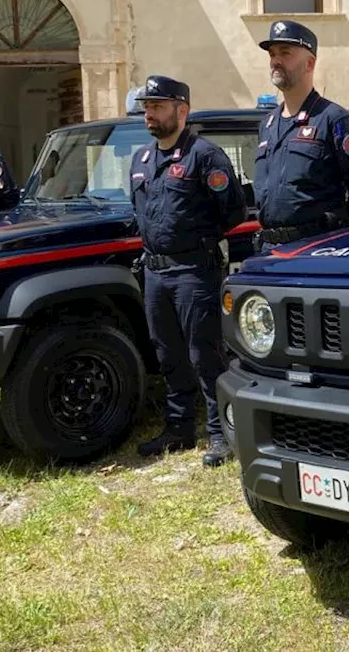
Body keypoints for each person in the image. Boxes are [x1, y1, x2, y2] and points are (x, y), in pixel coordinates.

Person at [128, 74, 247, 465]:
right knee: (168, 354)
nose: (150, 114)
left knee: (205, 354)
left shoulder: (204, 156)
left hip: (194, 271)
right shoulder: (141, 159)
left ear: (182, 110)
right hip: (155, 274)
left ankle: (220, 433)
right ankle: (178, 430)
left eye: (158, 106)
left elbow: (232, 212)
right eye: (147, 107)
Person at [251, 20, 349, 254]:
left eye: (285, 53)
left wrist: (341, 245)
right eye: (272, 54)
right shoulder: (267, 125)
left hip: (316, 249)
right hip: (269, 250)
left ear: (309, 63)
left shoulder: (333, 120)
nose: (276, 61)